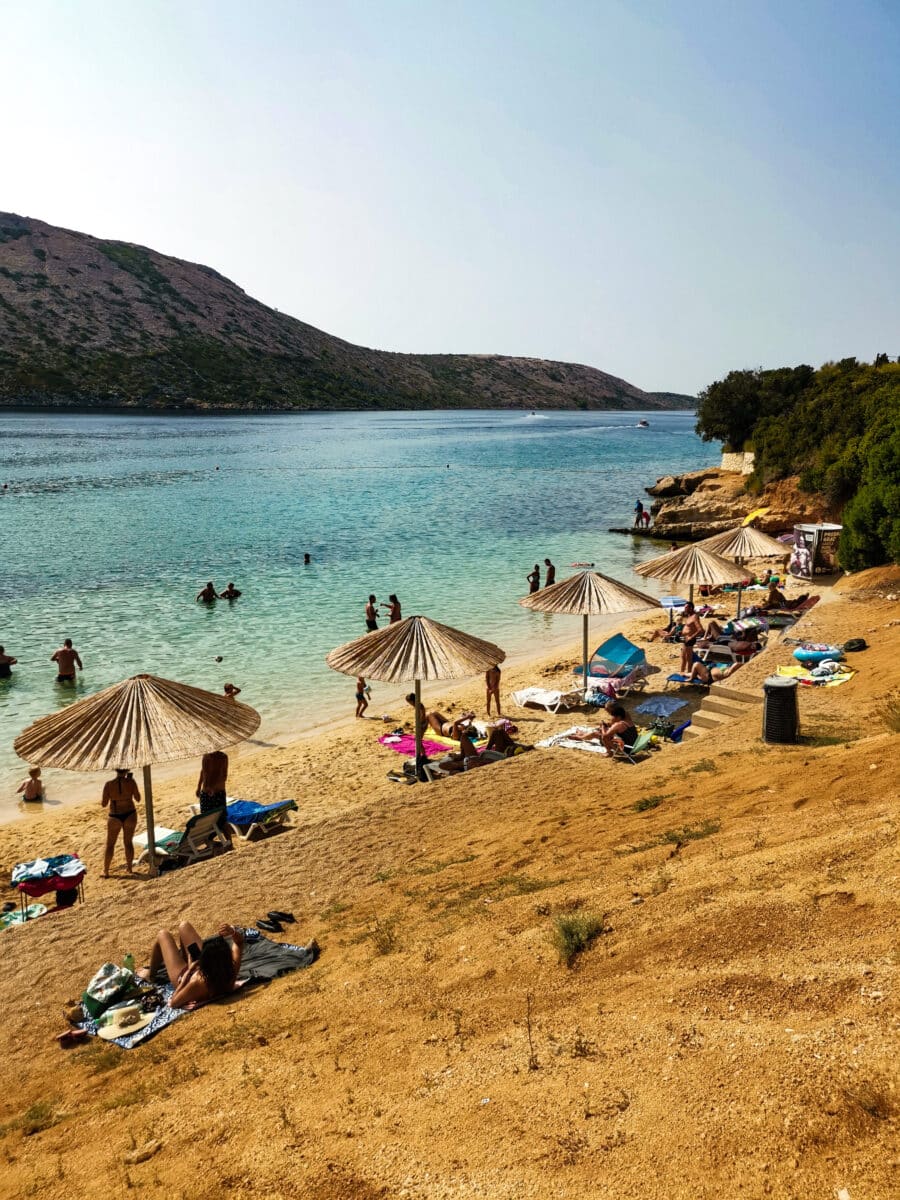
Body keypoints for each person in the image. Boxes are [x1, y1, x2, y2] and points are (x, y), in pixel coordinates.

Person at [139, 920, 245, 1008]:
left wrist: (189, 971)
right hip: (203, 972)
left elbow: (174, 1003)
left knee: (163, 935)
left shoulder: (197, 982)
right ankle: (184, 958)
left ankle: (151, 976)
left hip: (184, 978)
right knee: (184, 925)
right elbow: (239, 943)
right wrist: (233, 932)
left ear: (204, 963)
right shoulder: (231, 969)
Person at [101, 768, 140, 877]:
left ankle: (106, 871)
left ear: (116, 770)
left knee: (110, 844)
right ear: (127, 771)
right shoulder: (131, 782)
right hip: (130, 813)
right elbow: (138, 798)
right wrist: (130, 785)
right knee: (128, 842)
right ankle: (129, 868)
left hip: (115, 815)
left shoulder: (108, 784)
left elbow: (104, 804)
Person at [570, 703, 638, 753]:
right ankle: (583, 734)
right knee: (602, 731)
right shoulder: (625, 716)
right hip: (632, 744)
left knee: (596, 734)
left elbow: (605, 736)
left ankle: (580, 737)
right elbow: (612, 727)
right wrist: (606, 727)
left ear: (617, 716)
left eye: (607, 710)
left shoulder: (618, 724)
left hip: (624, 749)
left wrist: (603, 727)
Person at [196, 750, 228, 814]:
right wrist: (199, 787)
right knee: (220, 817)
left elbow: (203, 772)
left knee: (207, 816)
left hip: (208, 793)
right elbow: (224, 776)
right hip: (218, 792)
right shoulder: (223, 757)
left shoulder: (206, 757)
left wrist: (199, 787)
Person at [679, 603, 704, 674]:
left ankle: (689, 673)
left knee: (688, 658)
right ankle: (682, 672)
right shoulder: (689, 616)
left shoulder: (694, 617)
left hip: (690, 639)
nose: (685, 609)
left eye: (686, 608)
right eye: (685, 607)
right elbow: (689, 627)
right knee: (683, 657)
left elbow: (700, 630)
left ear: (691, 608)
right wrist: (682, 632)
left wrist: (691, 637)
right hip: (685, 639)